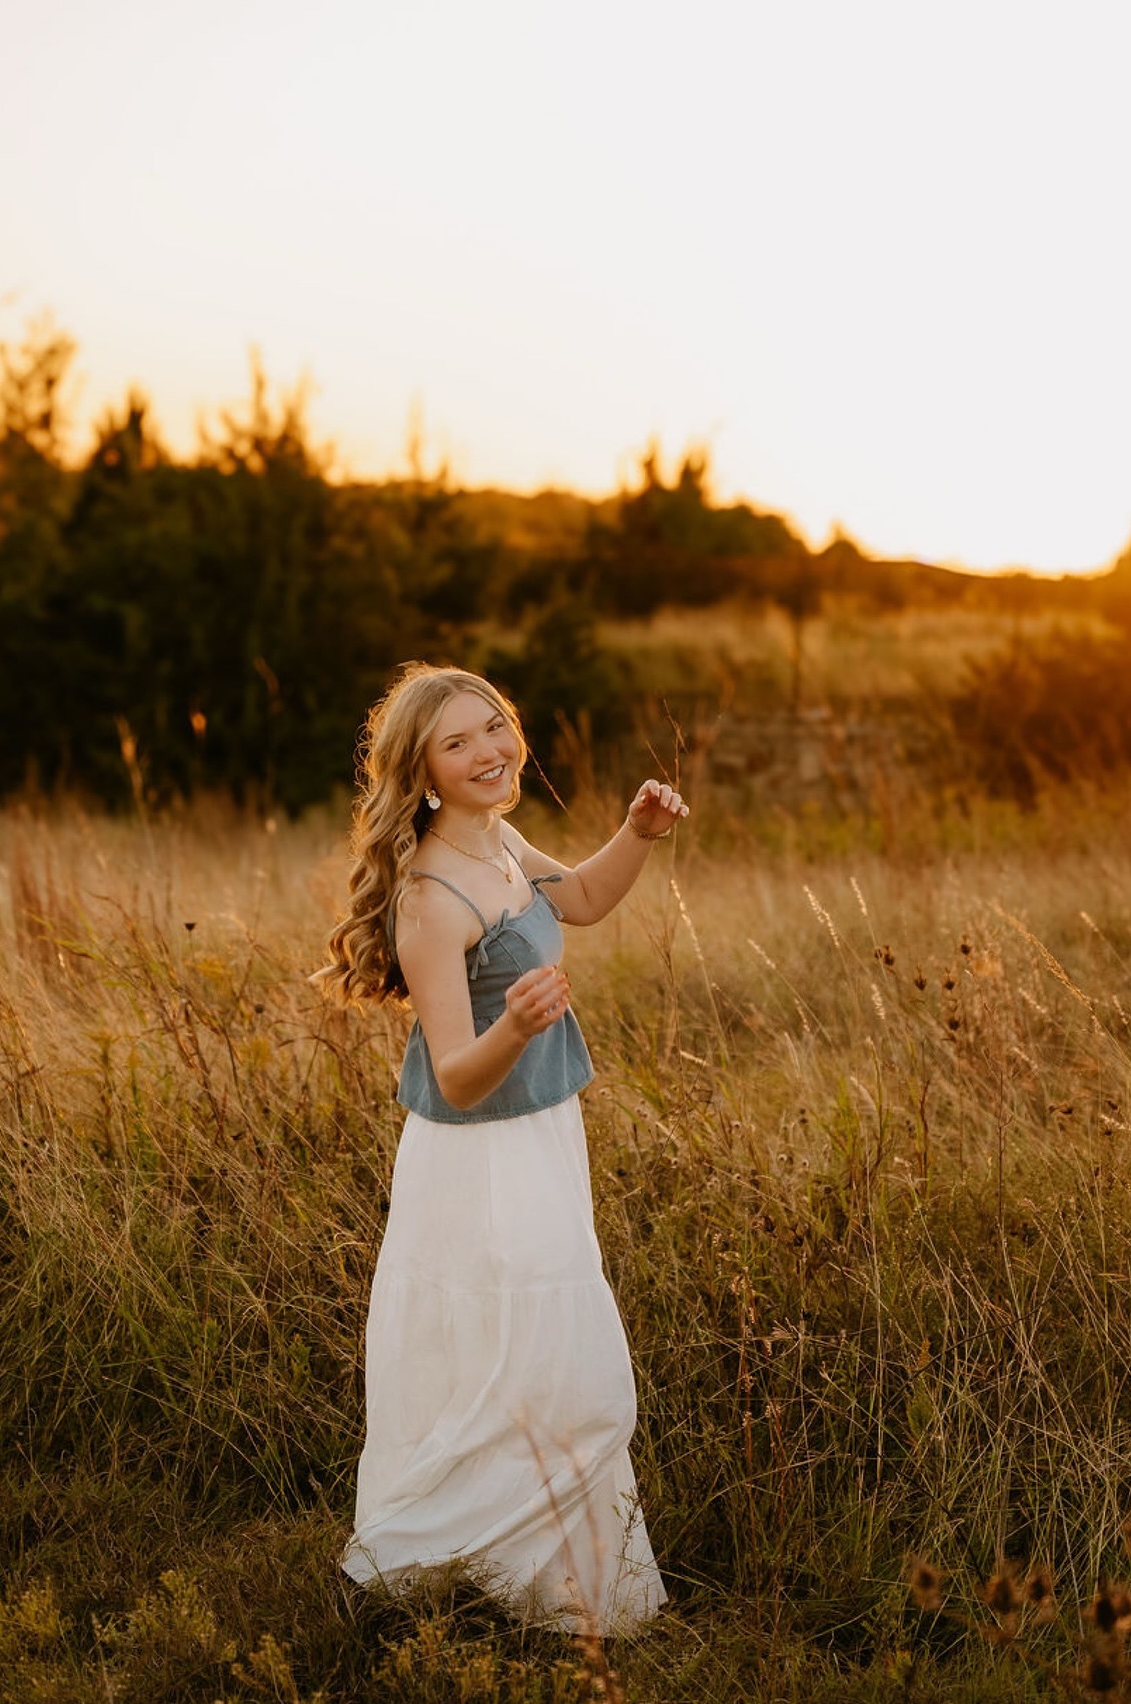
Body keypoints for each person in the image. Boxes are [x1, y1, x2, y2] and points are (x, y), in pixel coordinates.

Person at [320, 662, 687, 1636]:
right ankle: (427, 1565)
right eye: (457, 742)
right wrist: (519, 1025)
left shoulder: (501, 841)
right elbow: (454, 1074)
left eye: (495, 728)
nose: (488, 752)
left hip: (539, 1137)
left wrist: (637, 835)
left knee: (528, 1355)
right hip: (477, 1161)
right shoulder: (431, 896)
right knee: (533, 1354)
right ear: (423, 772)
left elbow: (585, 901)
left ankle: (538, 1587)